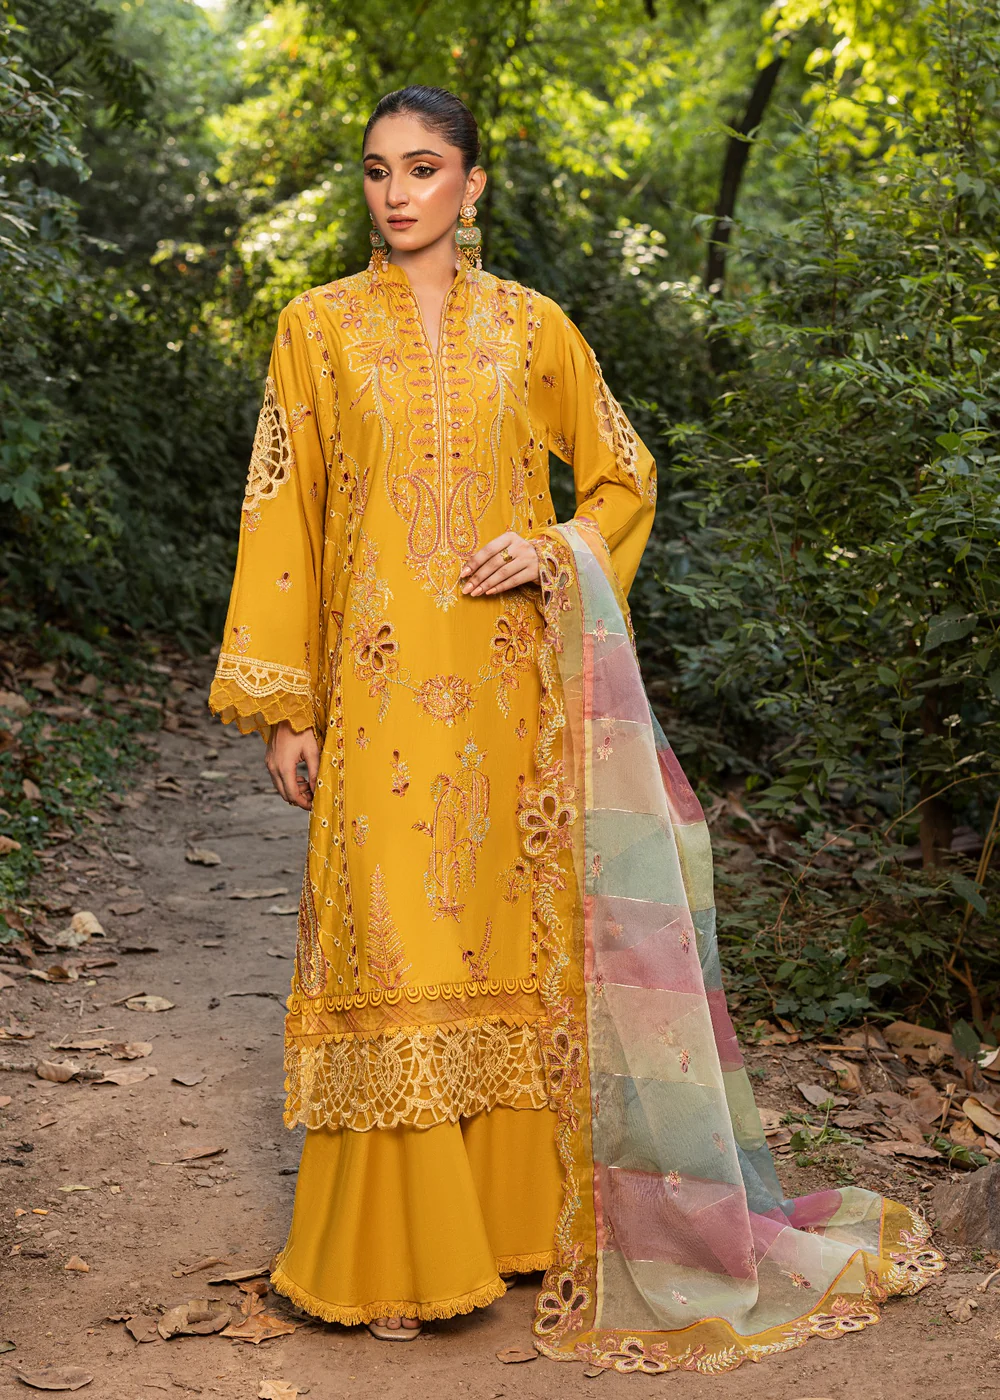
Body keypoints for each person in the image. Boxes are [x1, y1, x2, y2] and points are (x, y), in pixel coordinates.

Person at [209, 84, 943, 1374]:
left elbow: (623, 473)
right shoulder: (314, 329)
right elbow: (286, 520)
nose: (396, 192)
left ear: (472, 185)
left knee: (512, 947)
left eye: (423, 167)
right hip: (377, 700)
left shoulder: (532, 330)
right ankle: (397, 1253)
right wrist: (285, 707)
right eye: (378, 169)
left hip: (513, 696)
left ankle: (514, 1227)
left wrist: (554, 546)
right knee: (392, 948)